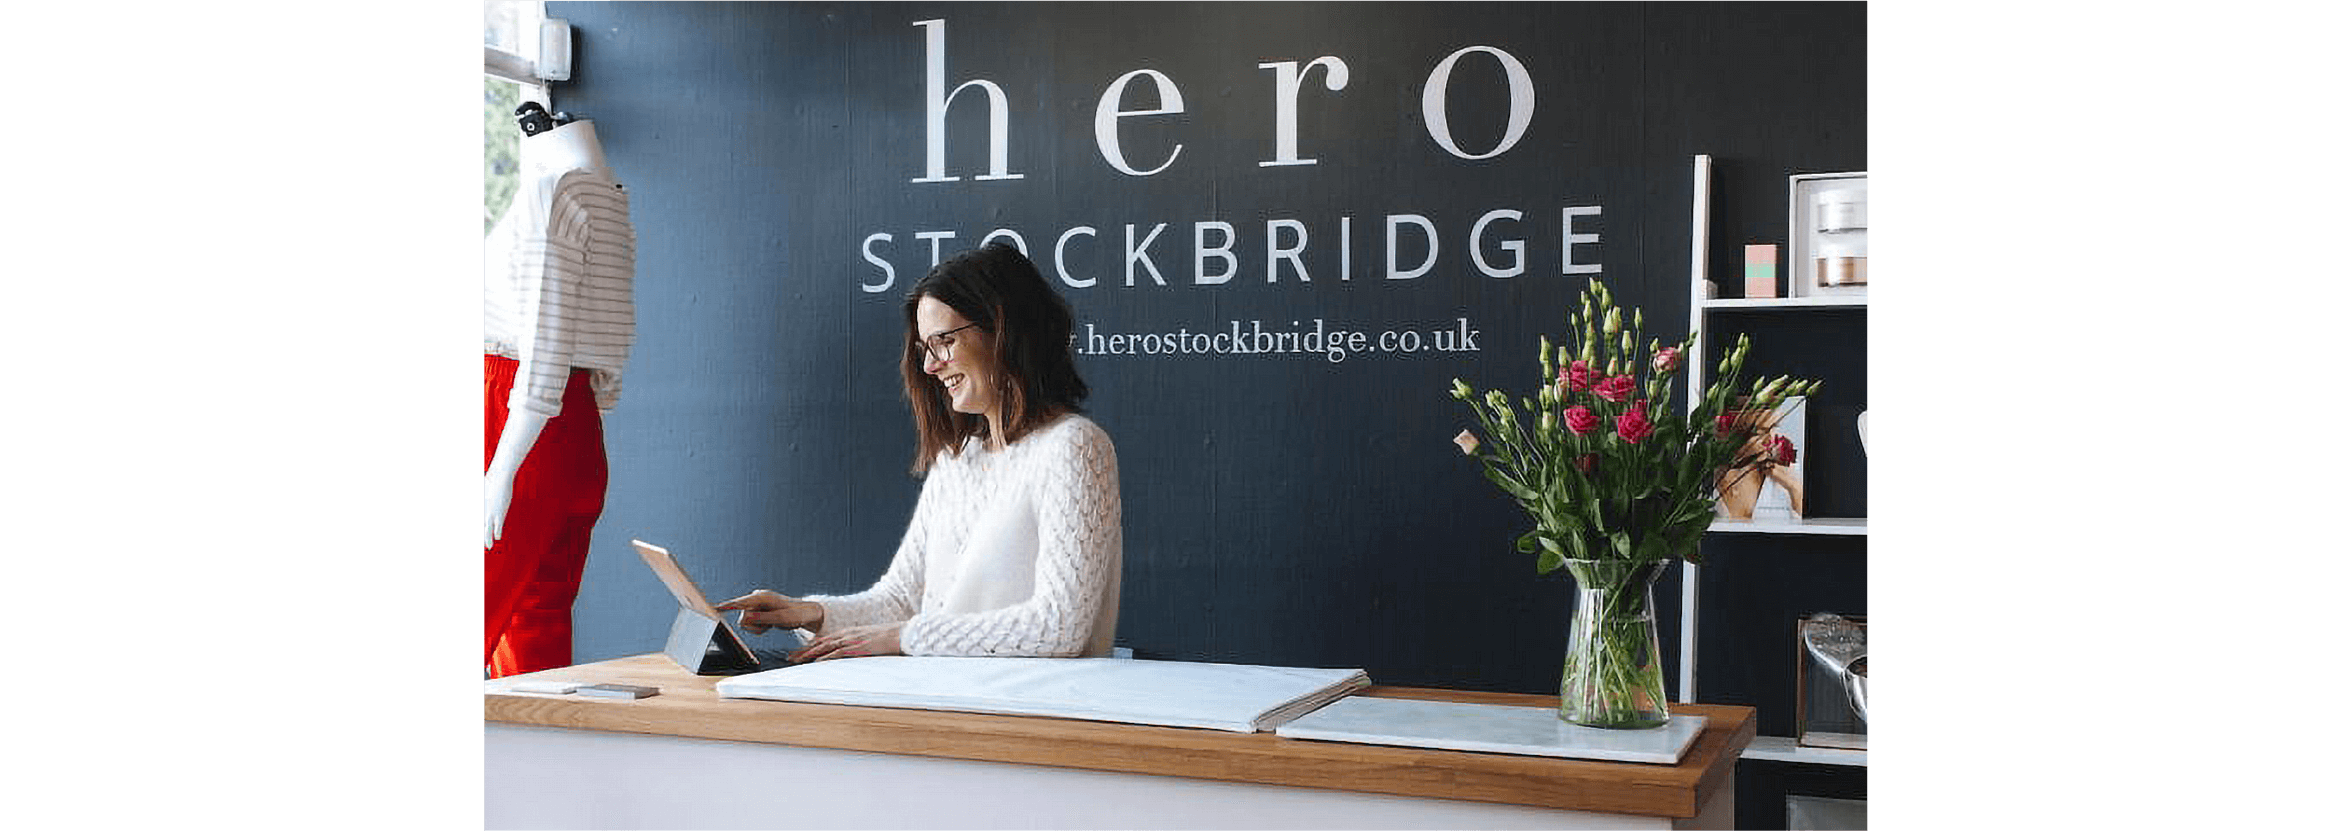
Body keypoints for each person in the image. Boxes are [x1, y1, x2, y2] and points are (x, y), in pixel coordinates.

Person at [718, 242, 1123, 662]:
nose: (931, 367)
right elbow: (900, 602)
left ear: (1005, 331)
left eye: (944, 341)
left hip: (1029, 713)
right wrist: (808, 612)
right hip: (940, 698)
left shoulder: (1074, 447)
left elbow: (1059, 627)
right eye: (925, 348)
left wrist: (904, 637)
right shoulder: (956, 460)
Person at [483, 111, 637, 678]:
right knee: (535, 625)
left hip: (516, 407)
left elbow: (543, 341)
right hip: (573, 421)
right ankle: (535, 765)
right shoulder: (612, 198)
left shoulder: (555, 194)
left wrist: (502, 471)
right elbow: (613, 329)